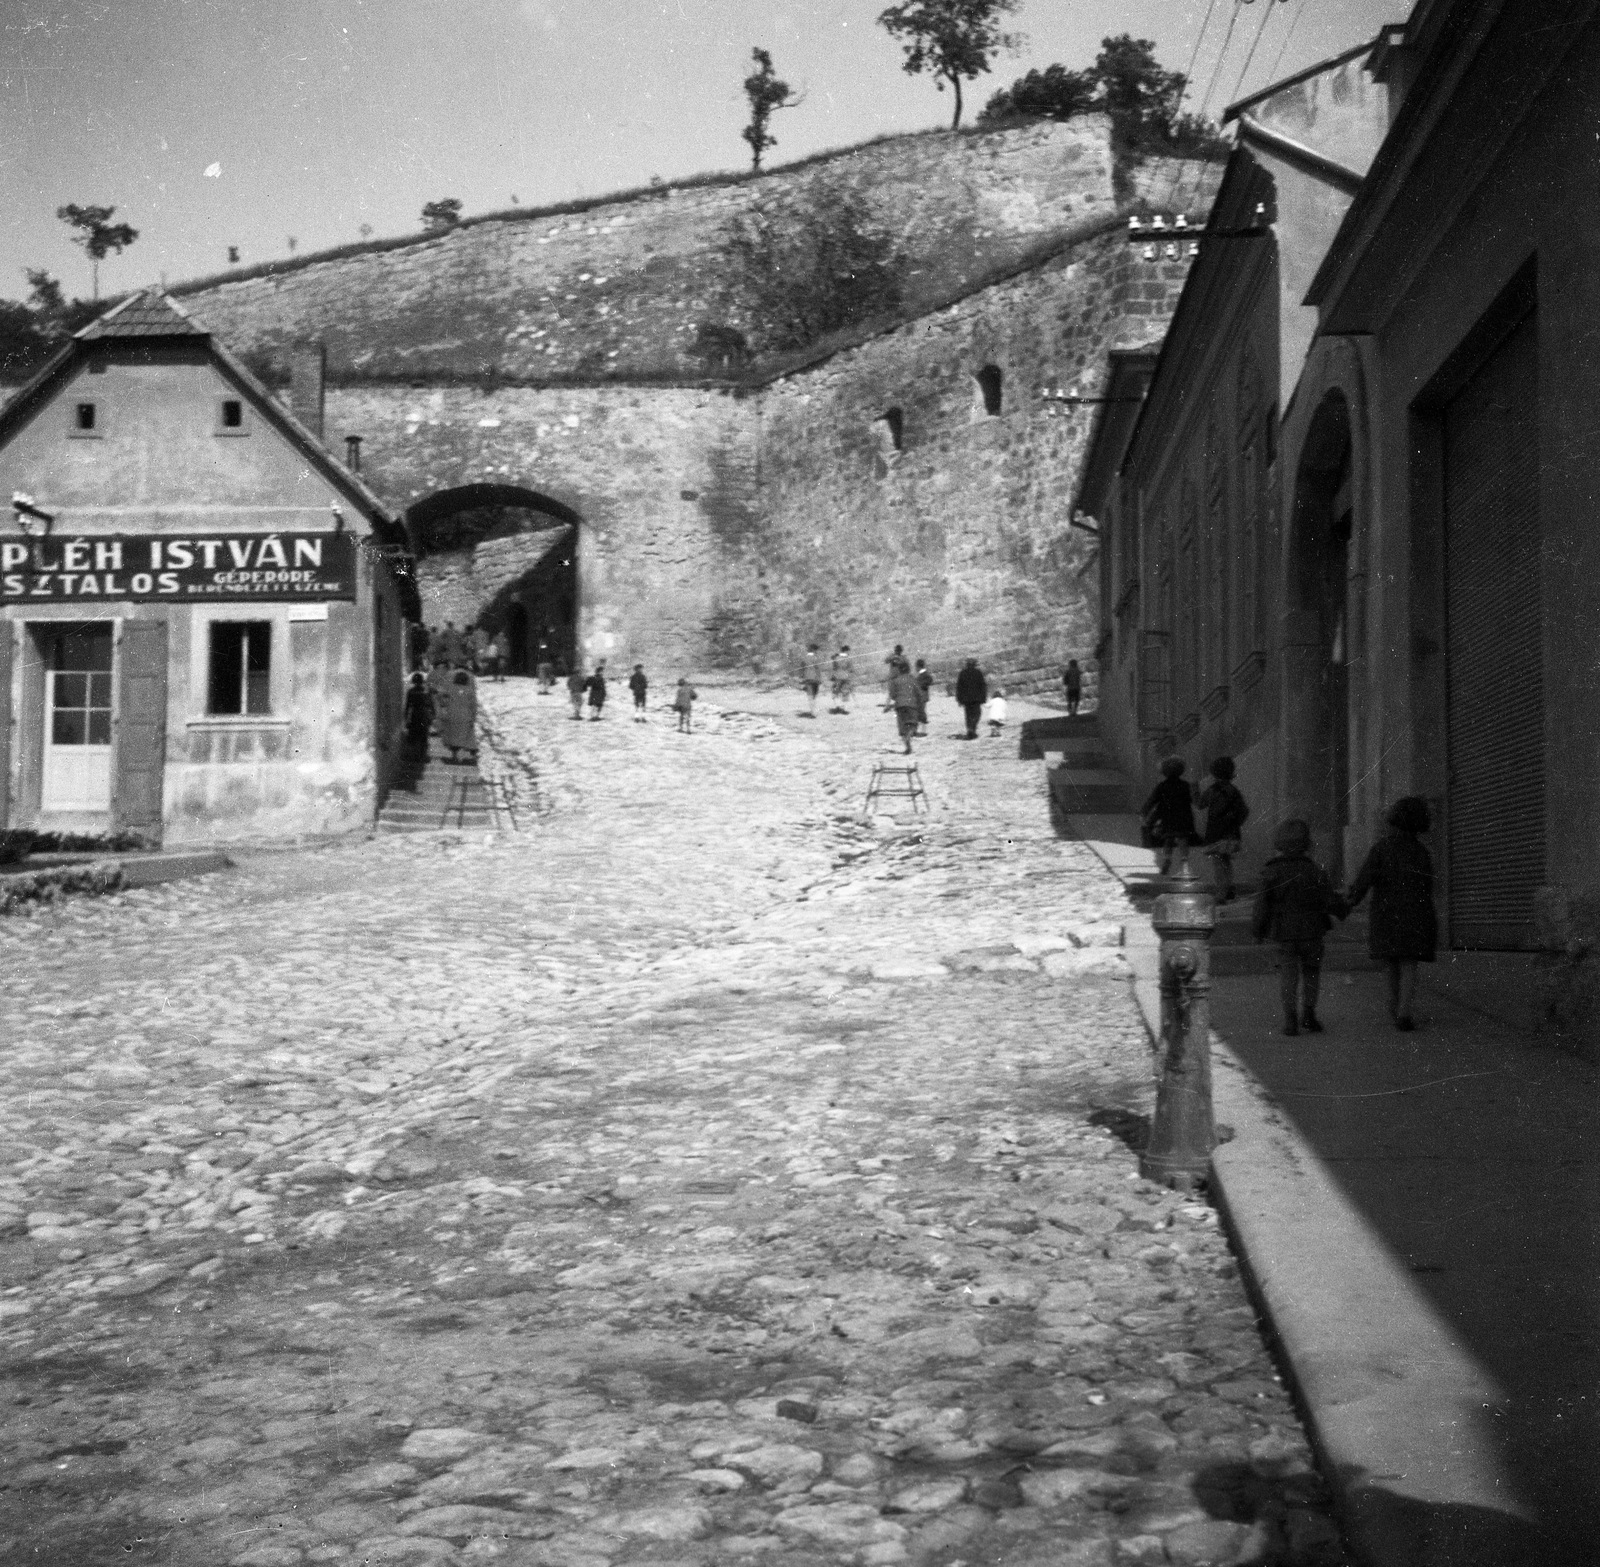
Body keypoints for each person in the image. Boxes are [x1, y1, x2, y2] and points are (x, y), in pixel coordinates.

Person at [1344, 797, 1438, 1032]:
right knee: (1409, 965)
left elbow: (1365, 878)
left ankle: (1394, 1007)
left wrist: (1351, 899)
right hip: (1416, 916)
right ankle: (1404, 1012)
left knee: (1392, 964)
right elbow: (1427, 888)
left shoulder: (1381, 849)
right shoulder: (1422, 853)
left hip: (1386, 916)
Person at [1252, 819, 1347, 1036]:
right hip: (1312, 931)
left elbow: (1261, 905)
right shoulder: (1314, 871)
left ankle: (1290, 1018)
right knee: (1312, 972)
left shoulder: (1271, 871)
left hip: (1284, 932)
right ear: (1307, 844)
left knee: (1288, 974)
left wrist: (1258, 930)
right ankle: (1309, 1015)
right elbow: (1329, 900)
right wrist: (1343, 910)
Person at [1198, 756, 1250, 904]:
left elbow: (1201, 804)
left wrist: (1194, 790)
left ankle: (1221, 893)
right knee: (1226, 862)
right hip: (1231, 834)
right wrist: (1235, 824)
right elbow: (1244, 811)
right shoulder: (1234, 791)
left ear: (1214, 773)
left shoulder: (1212, 790)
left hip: (1216, 833)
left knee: (1218, 863)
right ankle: (1228, 890)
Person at [1142, 757, 1197, 876]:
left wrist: (1144, 811)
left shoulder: (1162, 786)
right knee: (1183, 840)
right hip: (1184, 817)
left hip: (1168, 817)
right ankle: (1184, 863)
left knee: (1168, 839)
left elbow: (1152, 800)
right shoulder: (1185, 785)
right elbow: (1192, 799)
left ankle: (1167, 858)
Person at [439, 668, 478, 762]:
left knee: (453, 736)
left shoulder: (451, 689)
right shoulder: (470, 691)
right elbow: (474, 706)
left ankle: (454, 756)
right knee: (468, 736)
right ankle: (472, 756)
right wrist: (473, 717)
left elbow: (442, 699)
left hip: (452, 714)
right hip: (466, 716)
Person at [883, 662, 922, 754]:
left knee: (903, 728)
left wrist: (888, 705)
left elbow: (892, 695)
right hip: (911, 705)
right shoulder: (912, 679)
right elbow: (919, 693)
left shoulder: (895, 681)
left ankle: (908, 748)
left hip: (899, 706)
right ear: (908, 669)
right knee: (913, 725)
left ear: (899, 670)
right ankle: (909, 736)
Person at [955, 657, 987, 740]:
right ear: (974, 665)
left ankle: (970, 729)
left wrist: (959, 699)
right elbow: (982, 686)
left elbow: (959, 687)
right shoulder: (978, 673)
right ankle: (972, 728)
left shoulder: (962, 673)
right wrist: (983, 698)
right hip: (976, 699)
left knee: (968, 715)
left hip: (966, 699)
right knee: (977, 714)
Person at [402, 671, 433, 751]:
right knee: (424, 733)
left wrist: (405, 717)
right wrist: (432, 714)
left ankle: (414, 752)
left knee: (413, 733)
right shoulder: (426, 691)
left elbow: (408, 705)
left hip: (414, 713)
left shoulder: (411, 691)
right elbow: (431, 703)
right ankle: (423, 751)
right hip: (424, 713)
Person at [800, 643, 823, 717]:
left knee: (810, 696)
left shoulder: (804, 658)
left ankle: (812, 712)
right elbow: (818, 669)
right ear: (814, 650)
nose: (817, 652)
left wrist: (803, 678)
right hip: (815, 679)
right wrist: (820, 679)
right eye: (816, 650)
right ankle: (814, 711)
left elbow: (802, 669)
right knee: (814, 696)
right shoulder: (816, 658)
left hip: (808, 678)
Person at [830, 645, 854, 714]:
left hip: (837, 677)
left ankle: (836, 706)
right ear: (846, 651)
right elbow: (851, 669)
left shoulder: (836, 658)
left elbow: (834, 668)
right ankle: (844, 709)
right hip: (846, 677)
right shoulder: (849, 658)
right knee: (845, 693)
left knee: (835, 692)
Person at [914, 659, 933, 736]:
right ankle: (921, 730)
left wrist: (920, 684)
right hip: (921, 697)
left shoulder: (925, 674)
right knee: (920, 712)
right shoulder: (921, 675)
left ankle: (923, 731)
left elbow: (930, 680)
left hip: (922, 697)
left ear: (918, 667)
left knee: (921, 713)